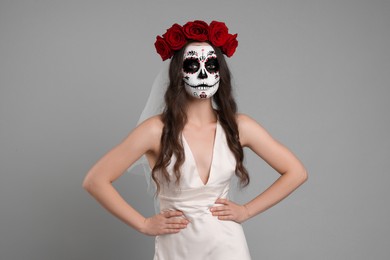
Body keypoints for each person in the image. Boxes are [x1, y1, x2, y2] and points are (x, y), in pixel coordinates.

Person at [82, 20, 308, 260]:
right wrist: (144, 224)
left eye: (211, 65)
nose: (203, 74)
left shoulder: (239, 126)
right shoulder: (155, 130)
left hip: (227, 246)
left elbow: (296, 172)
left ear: (220, 72)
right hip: (177, 248)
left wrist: (247, 211)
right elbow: (95, 180)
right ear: (179, 72)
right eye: (192, 65)